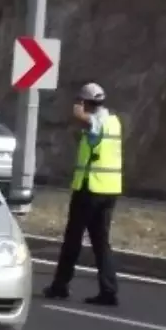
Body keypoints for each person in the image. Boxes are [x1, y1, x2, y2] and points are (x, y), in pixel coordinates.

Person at [43, 81, 122, 307]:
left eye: (81, 101)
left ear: (86, 102)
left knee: (72, 240)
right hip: (109, 191)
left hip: (90, 190)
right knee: (100, 242)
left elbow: (86, 120)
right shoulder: (114, 122)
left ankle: (60, 286)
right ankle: (108, 290)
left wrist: (78, 109)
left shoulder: (96, 121)